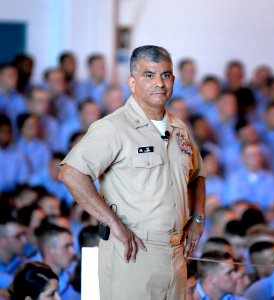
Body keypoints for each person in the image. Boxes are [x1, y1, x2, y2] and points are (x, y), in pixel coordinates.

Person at [58, 45, 206, 300]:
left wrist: (199, 217)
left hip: (176, 251)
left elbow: (197, 175)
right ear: (132, 82)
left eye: (166, 75)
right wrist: (113, 223)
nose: (159, 83)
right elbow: (71, 174)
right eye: (149, 75)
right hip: (133, 251)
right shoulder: (113, 127)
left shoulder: (179, 127)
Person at [34, 224, 79, 300]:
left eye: (72, 246)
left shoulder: (72, 280)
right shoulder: (33, 284)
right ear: (49, 251)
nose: (73, 252)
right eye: (67, 246)